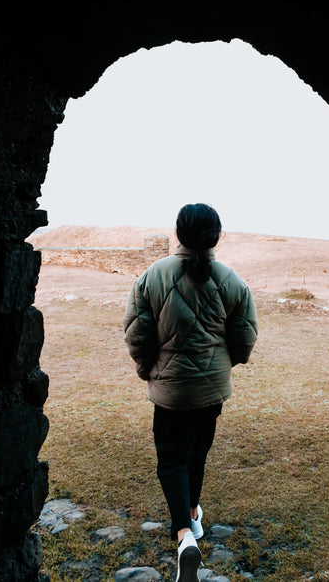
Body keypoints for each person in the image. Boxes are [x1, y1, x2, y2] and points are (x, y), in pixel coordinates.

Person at [123, 203, 258, 582]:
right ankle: (194, 516)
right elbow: (245, 336)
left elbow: (137, 334)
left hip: (170, 392)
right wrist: (222, 367)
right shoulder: (231, 280)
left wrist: (147, 368)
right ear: (216, 236)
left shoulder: (152, 275)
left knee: (172, 459)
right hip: (210, 392)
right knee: (196, 453)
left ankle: (184, 534)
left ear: (179, 233)